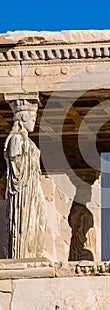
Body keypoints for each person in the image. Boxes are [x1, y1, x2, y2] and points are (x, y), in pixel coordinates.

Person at [4, 99, 46, 258]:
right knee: (25, 221)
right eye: (31, 117)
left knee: (41, 217)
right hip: (23, 189)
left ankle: (32, 251)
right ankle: (22, 256)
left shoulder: (27, 141)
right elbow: (15, 164)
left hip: (33, 187)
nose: (34, 121)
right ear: (22, 117)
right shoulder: (16, 139)